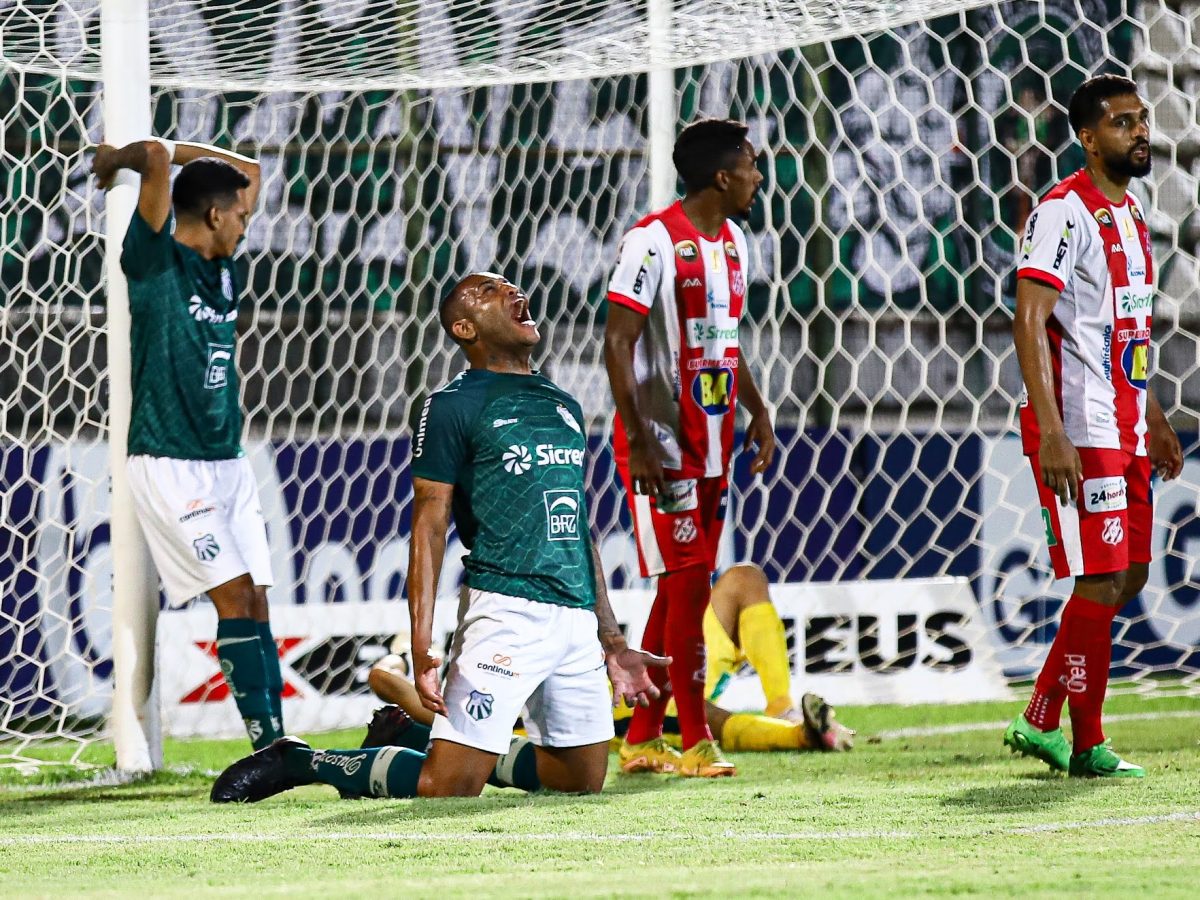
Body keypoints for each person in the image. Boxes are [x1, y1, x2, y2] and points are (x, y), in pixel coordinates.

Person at [211, 273, 667, 802]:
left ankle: (414, 734)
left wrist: (611, 639)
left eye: (512, 287)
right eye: (490, 291)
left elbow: (577, 526)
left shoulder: (562, 403)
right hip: (507, 612)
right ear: (464, 328)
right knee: (447, 788)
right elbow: (428, 526)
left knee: (579, 780)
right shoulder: (453, 404)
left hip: (574, 617)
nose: (514, 293)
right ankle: (303, 759)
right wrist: (422, 643)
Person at [1005, 74, 1183, 778]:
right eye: (1121, 123)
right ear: (1087, 137)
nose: (1139, 131)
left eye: (1141, 119)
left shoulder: (1132, 214)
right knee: (1101, 579)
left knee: (1130, 574)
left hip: (1128, 422)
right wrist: (1052, 431)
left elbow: (1126, 331)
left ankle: (1039, 716)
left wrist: (1155, 416)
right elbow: (1028, 320)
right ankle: (1086, 743)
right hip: (1081, 426)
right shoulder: (1062, 212)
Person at [91, 138, 285, 750]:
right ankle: (268, 750)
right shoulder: (155, 262)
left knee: (257, 600)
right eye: (241, 216)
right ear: (214, 215)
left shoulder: (224, 264)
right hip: (171, 463)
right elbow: (153, 154)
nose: (247, 225)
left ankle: (281, 745)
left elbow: (248, 170)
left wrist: (203, 169)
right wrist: (114, 161)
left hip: (228, 461)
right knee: (234, 594)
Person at [603, 118, 776, 777]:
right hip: (661, 447)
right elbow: (617, 342)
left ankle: (643, 737)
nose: (759, 178)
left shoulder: (735, 243)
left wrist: (757, 410)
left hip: (713, 444)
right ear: (723, 177)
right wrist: (639, 441)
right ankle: (697, 739)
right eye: (751, 166)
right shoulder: (651, 242)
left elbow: (726, 341)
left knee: (680, 590)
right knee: (691, 584)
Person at [364, 563, 855, 762]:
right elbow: (388, 685)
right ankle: (798, 733)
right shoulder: (486, 712)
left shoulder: (505, 662)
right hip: (627, 703)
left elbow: (387, 680)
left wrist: (398, 662)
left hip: (627, 668)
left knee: (744, 580)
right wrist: (396, 673)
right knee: (701, 718)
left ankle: (782, 705)